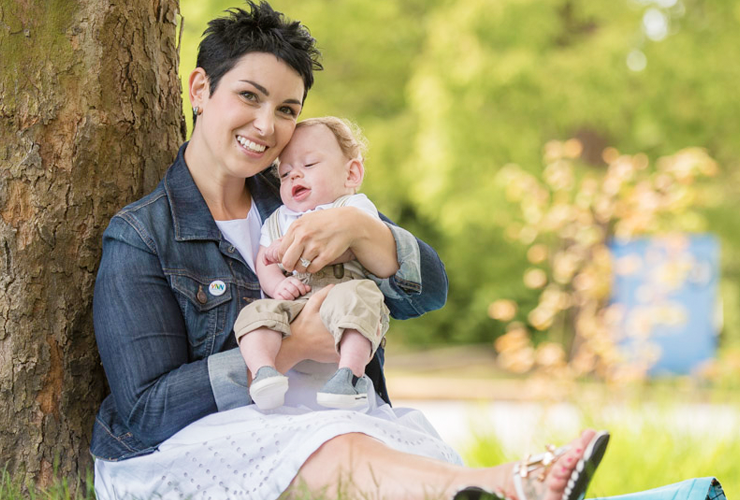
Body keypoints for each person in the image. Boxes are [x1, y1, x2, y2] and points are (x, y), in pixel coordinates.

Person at [89, 2, 726, 500]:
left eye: (287, 109)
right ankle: (512, 482)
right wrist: (289, 348)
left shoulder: (302, 198)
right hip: (192, 456)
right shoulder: (142, 236)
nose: (267, 126)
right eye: (248, 96)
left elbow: (430, 292)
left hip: (330, 424)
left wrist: (372, 236)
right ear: (200, 89)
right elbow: (144, 413)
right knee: (340, 455)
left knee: (385, 458)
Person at [234, 116, 391, 411]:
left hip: (342, 291)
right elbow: (264, 259)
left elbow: (357, 241)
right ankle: (264, 373)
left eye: (309, 166)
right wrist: (279, 283)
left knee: (363, 301)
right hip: (297, 303)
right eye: (285, 173)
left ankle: (349, 376)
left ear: (351, 174)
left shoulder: (352, 207)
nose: (295, 176)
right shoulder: (279, 219)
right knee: (256, 314)